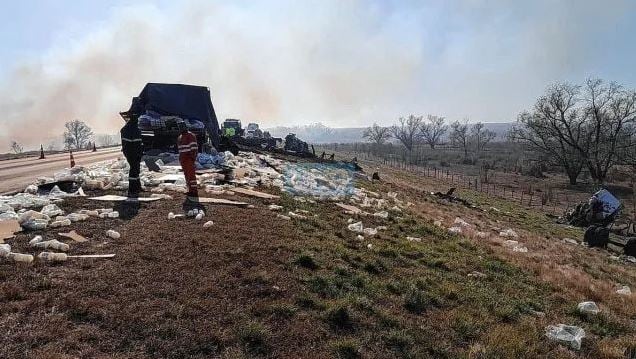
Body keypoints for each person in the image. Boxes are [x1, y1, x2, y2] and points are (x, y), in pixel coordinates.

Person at [120, 116, 143, 197]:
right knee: (134, 169)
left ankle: (137, 186)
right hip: (133, 152)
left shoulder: (125, 129)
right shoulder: (135, 129)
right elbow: (137, 143)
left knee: (135, 168)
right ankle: (132, 189)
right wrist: (140, 152)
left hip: (129, 152)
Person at [177, 122, 199, 198]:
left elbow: (194, 148)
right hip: (183, 159)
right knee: (187, 176)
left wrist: (192, 158)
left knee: (191, 176)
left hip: (189, 158)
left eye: (182, 127)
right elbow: (180, 150)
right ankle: (190, 190)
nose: (181, 129)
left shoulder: (190, 135)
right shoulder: (180, 137)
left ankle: (194, 191)